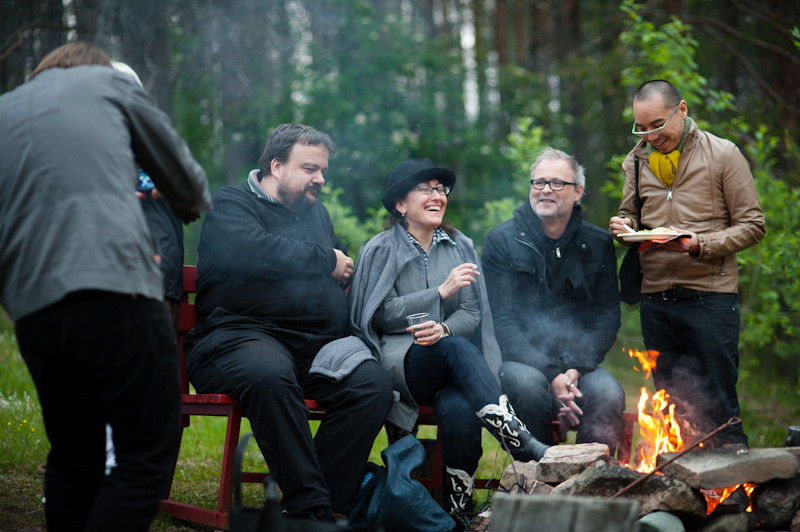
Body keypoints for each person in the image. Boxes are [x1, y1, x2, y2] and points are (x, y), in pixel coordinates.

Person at [0, 42, 211, 532]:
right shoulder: (110, 82)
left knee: (74, 453)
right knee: (147, 450)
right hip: (115, 291)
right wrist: (185, 204)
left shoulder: (7, 109)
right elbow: (186, 182)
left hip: (34, 306)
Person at [183, 123, 394, 522]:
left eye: (323, 170)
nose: (321, 179)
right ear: (276, 166)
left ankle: (320, 505)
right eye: (310, 169)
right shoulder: (231, 203)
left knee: (372, 387)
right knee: (270, 375)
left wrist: (338, 265)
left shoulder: (317, 213)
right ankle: (310, 508)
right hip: (235, 339)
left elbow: (339, 263)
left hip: (313, 348)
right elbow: (252, 251)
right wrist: (326, 260)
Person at [350, 158, 550, 521]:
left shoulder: (459, 246)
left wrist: (443, 329)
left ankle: (459, 510)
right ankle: (518, 441)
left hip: (449, 365)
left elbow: (472, 313)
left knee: (459, 407)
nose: (437, 196)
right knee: (458, 347)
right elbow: (380, 314)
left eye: (440, 189)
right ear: (400, 204)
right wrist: (439, 294)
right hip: (402, 363)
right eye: (425, 189)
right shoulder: (382, 249)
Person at [608, 80, 765, 448]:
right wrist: (624, 226)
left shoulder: (723, 155)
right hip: (655, 301)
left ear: (682, 109)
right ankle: (681, 481)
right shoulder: (636, 160)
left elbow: (753, 226)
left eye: (657, 125)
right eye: (641, 128)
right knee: (673, 411)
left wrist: (701, 244)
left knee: (720, 409)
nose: (650, 136)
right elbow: (630, 214)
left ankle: (735, 478)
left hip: (710, 298)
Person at [482, 147, 626, 454]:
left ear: (578, 192)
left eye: (557, 183)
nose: (546, 189)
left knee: (607, 393)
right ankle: (538, 477)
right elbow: (500, 321)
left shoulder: (597, 242)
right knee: (528, 387)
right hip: (522, 363)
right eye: (539, 182)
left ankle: (589, 479)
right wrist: (551, 375)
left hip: (579, 365)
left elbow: (607, 317)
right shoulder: (502, 241)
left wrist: (574, 370)